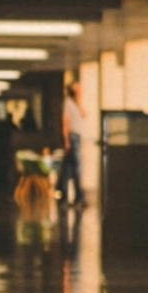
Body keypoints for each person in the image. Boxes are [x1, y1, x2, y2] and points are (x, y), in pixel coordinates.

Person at [60, 79, 87, 208]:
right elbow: (65, 122)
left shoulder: (76, 103)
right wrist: (66, 140)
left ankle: (64, 196)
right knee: (77, 168)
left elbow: (84, 114)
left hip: (77, 137)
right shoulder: (68, 102)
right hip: (72, 137)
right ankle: (78, 196)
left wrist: (79, 100)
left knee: (68, 168)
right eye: (77, 89)